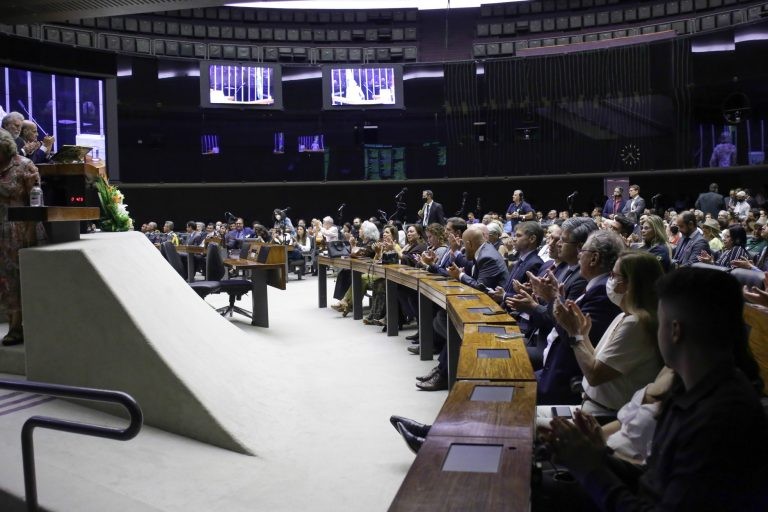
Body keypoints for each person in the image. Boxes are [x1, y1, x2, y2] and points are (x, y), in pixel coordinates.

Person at [541, 268, 768, 512]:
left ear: (675, 331)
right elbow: (653, 476)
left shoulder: (721, 418)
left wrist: (591, 470)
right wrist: (598, 455)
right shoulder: (690, 387)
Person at [545, 251, 664, 416]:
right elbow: (597, 360)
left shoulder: (637, 324)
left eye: (614, 275)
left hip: (605, 415)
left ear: (630, 283)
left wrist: (574, 334)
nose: (610, 280)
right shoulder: (624, 315)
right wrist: (582, 334)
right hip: (590, 406)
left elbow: (594, 375)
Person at [416, 225, 508, 390]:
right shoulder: (483, 252)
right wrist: (458, 273)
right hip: (485, 305)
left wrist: (460, 275)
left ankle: (444, 373)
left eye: (465, 245)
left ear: (470, 244)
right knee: (448, 319)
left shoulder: (488, 257)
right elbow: (472, 276)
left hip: (495, 311)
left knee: (455, 325)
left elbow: (481, 289)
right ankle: (442, 369)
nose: (463, 249)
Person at [0, 129, 43, 345]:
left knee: (14, 279)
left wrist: (31, 231)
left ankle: (16, 328)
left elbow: (35, 201)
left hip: (16, 229)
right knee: (3, 281)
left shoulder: (24, 165)